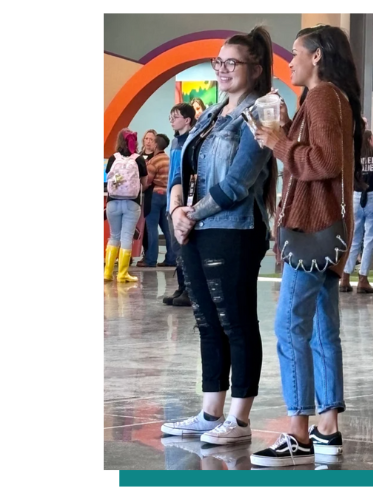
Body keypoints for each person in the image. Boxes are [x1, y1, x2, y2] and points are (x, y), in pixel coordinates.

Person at [250, 24, 363, 467]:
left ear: (317, 56)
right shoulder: (331, 99)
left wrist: (279, 143)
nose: (290, 60)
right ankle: (327, 429)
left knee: (289, 328)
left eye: (296, 52)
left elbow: (326, 161)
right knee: (321, 331)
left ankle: (298, 431)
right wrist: (285, 133)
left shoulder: (321, 97)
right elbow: (323, 156)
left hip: (312, 230)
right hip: (326, 232)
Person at [160, 26, 277, 445]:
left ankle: (239, 420)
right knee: (207, 322)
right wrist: (176, 208)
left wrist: (190, 214)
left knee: (237, 322)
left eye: (232, 63)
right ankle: (210, 413)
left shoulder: (263, 111)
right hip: (194, 228)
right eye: (218, 62)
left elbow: (238, 182)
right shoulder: (210, 114)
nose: (223, 69)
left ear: (255, 69)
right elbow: (181, 165)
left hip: (234, 229)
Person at [340, 130, 373, 293]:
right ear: (369, 140)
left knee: (354, 239)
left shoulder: (354, 157)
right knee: (369, 240)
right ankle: (363, 279)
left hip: (356, 197)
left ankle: (345, 278)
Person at [103, 129, 148, 282]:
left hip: (112, 202)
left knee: (114, 236)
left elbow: (109, 178)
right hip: (132, 203)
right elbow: (144, 183)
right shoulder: (139, 159)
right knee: (126, 236)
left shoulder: (113, 158)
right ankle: (122, 274)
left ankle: (107, 273)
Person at [163, 103, 196, 307]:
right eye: (170, 117)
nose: (171, 121)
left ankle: (191, 290)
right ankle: (182, 286)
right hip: (171, 199)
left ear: (187, 120)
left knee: (185, 247)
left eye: (175, 117)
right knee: (177, 249)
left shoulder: (193, 140)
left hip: (184, 201)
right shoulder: (175, 141)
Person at [140, 134, 177, 268]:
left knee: (151, 228)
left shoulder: (154, 161)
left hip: (154, 196)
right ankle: (171, 259)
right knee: (167, 230)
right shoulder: (168, 159)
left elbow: (147, 182)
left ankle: (150, 260)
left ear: (156, 145)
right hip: (167, 196)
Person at [136, 129, 157, 265]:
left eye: (151, 139)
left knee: (149, 227)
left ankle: (148, 255)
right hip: (137, 194)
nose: (148, 142)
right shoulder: (137, 156)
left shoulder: (157, 157)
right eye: (146, 139)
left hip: (151, 194)